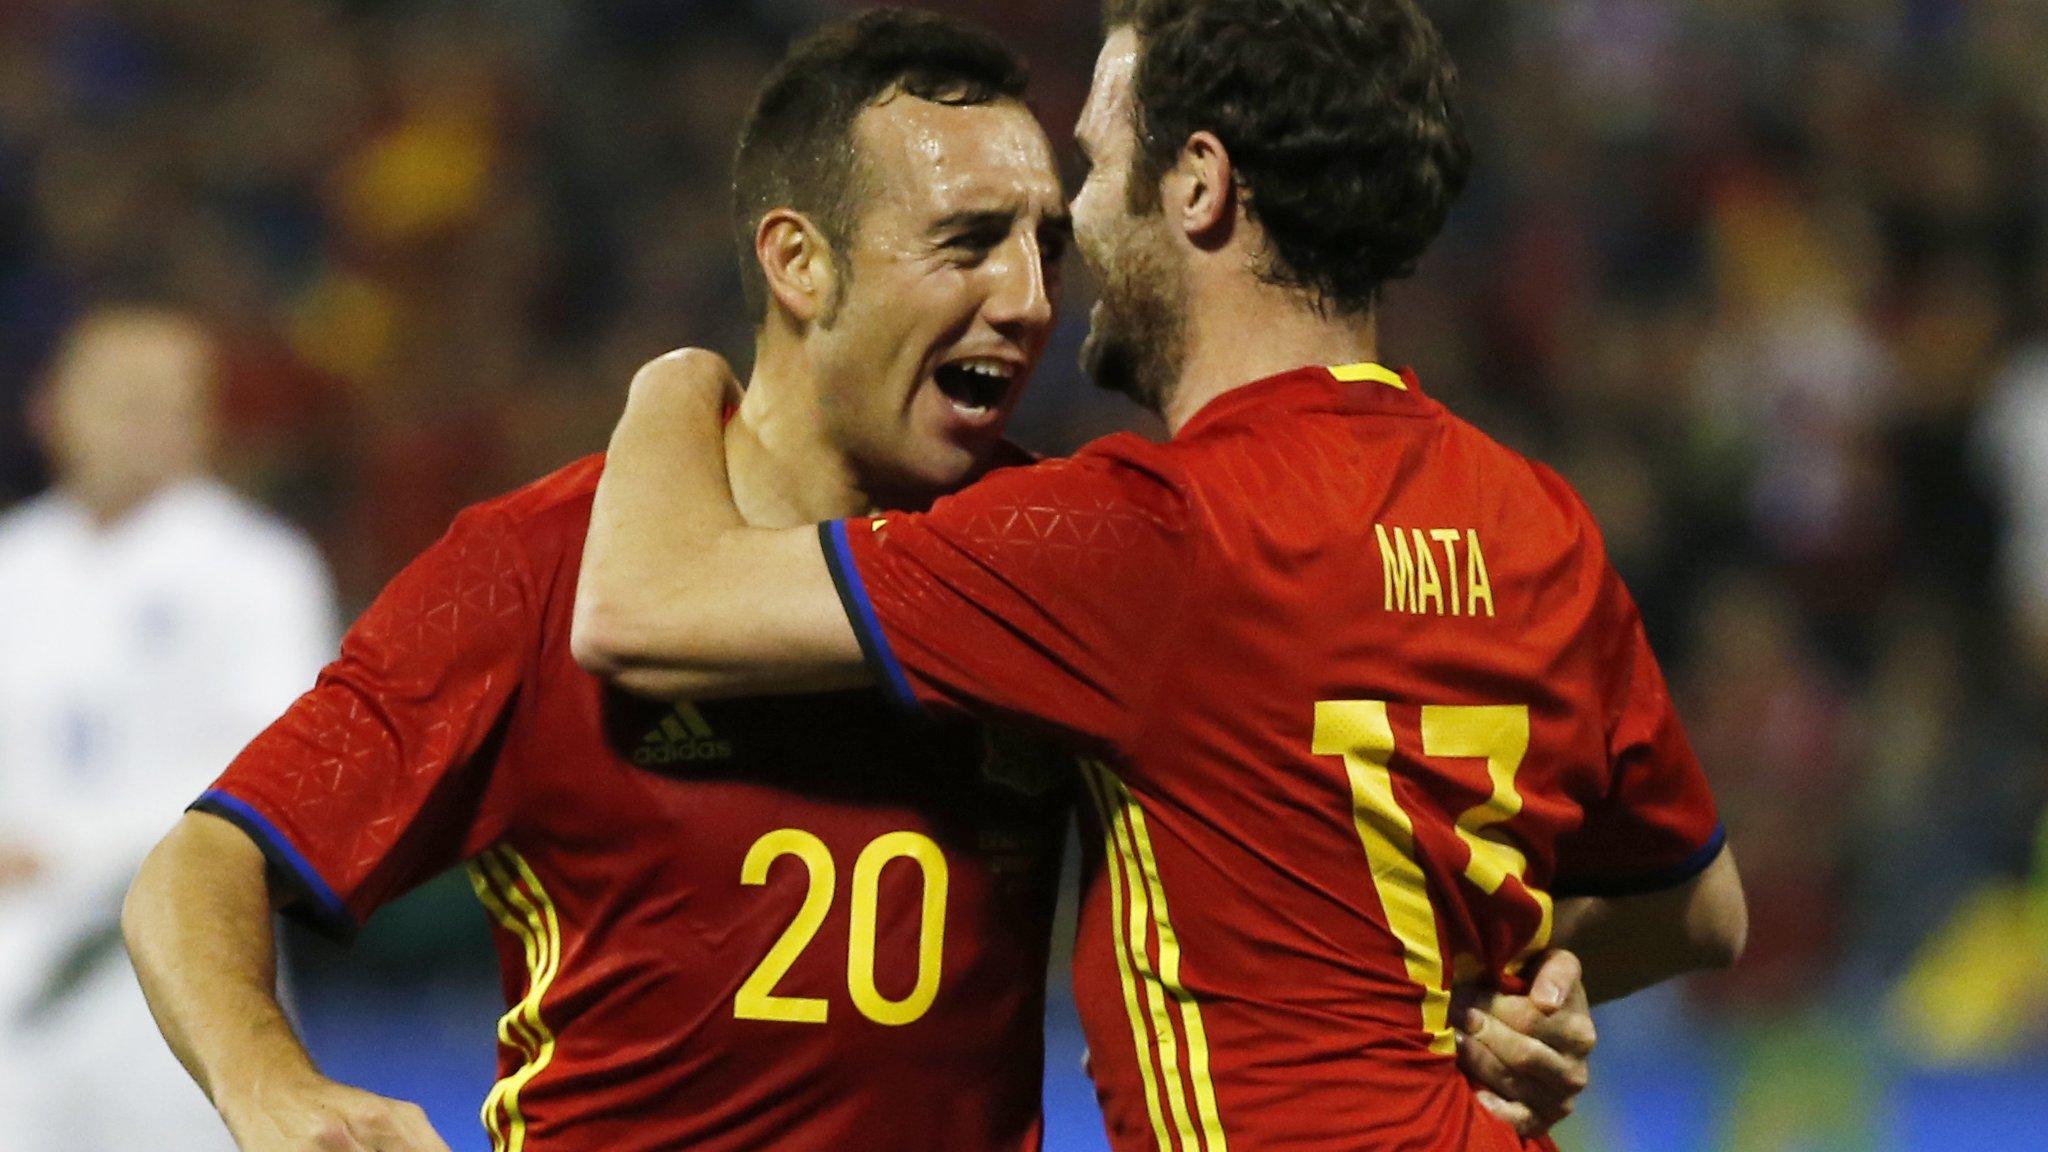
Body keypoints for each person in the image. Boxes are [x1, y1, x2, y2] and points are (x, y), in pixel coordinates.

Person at [125, 9, 1592, 1152]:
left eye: (1041, 242)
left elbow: (1329, 822)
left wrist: (1497, 997)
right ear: (799, 264)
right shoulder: (531, 570)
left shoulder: (1074, 552)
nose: (1025, 299)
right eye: (965, 244)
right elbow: (203, 865)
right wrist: (267, 1081)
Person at [570, 1, 1748, 1149]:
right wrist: (1498, 998)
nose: (1072, 220)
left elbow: (643, 605)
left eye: (1092, 161)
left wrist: (678, 375)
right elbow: (1700, 909)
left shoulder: (1147, 536)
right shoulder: (1535, 523)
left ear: (1196, 184)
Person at [0, 306, 338, 1152]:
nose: (144, 423)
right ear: (49, 409)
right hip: (14, 966)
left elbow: (273, 771)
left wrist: (64, 846)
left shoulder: (258, 568)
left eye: (170, 400)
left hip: (177, 968)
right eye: (119, 398)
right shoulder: (15, 563)